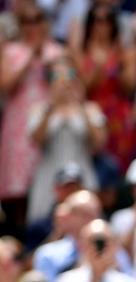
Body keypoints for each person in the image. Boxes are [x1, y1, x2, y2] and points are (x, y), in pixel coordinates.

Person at [0, 3, 62, 228]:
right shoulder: (10, 52)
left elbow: (68, 80)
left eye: (37, 19)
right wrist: (30, 55)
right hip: (19, 124)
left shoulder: (55, 51)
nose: (32, 25)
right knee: (18, 189)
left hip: (49, 124)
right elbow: (6, 85)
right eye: (27, 20)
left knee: (48, 183)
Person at [27, 55, 106, 224]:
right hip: (48, 180)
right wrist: (52, 106)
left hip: (82, 175)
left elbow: (99, 142)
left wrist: (81, 105)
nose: (64, 81)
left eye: (69, 74)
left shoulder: (90, 108)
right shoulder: (39, 110)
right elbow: (37, 140)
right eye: (57, 76)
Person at [76, 2, 136, 174]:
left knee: (120, 167)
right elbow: (81, 89)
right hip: (92, 115)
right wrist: (98, 67)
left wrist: (118, 64)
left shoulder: (125, 52)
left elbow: (129, 87)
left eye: (107, 20)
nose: (102, 25)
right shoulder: (81, 52)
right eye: (97, 20)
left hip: (118, 115)